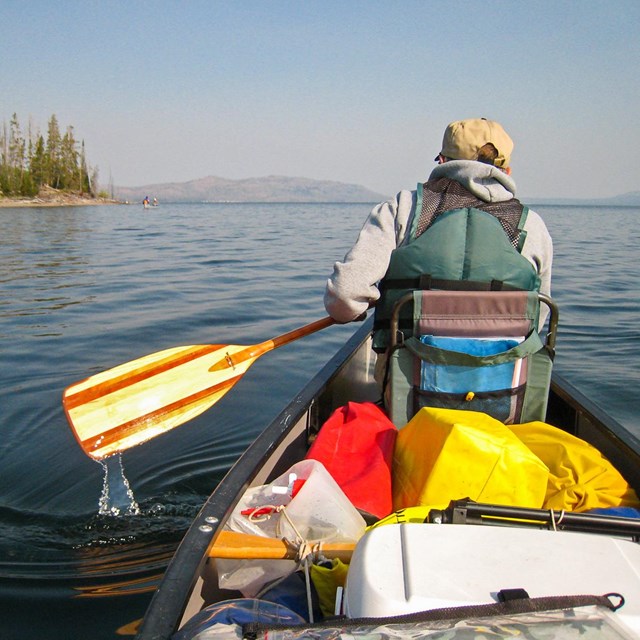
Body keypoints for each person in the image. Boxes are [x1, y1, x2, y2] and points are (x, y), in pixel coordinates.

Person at [324, 117, 553, 372]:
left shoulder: (402, 208)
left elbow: (345, 295)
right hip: (503, 390)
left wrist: (353, 310)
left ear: (443, 161)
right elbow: (537, 317)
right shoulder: (532, 226)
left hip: (407, 391)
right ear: (506, 171)